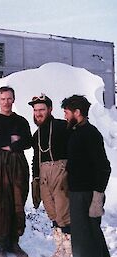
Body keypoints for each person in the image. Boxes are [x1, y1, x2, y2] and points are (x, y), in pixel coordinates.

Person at [61, 95, 111, 257]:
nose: (65, 116)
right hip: (77, 193)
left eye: (67, 112)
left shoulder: (90, 134)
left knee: (86, 239)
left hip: (87, 194)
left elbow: (104, 167)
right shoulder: (76, 132)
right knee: (89, 237)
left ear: (77, 112)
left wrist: (97, 197)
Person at [0, 86, 32, 257]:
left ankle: (14, 242)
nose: (6, 102)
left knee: (18, 201)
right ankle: (2, 244)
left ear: (14, 99)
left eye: (9, 98)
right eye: (3, 99)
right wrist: (13, 139)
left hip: (18, 164)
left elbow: (27, 142)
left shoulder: (21, 121)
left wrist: (8, 142)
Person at [28, 94, 72, 257]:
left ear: (50, 110)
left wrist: (71, 173)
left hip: (61, 171)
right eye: (35, 110)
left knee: (64, 213)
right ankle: (59, 248)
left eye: (41, 109)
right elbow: (35, 158)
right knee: (52, 213)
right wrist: (36, 178)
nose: (38, 113)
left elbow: (74, 151)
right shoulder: (36, 135)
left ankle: (69, 250)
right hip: (44, 176)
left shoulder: (63, 127)